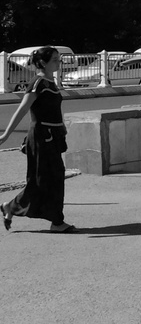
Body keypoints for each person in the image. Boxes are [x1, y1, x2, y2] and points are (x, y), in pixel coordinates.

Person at [0, 47, 76, 232]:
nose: (59, 63)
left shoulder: (51, 82)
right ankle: (55, 221)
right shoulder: (39, 82)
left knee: (55, 177)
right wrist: (5, 135)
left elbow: (53, 109)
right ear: (43, 62)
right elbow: (23, 109)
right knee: (41, 179)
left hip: (53, 136)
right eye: (55, 60)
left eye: (59, 59)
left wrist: (62, 126)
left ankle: (15, 208)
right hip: (41, 136)